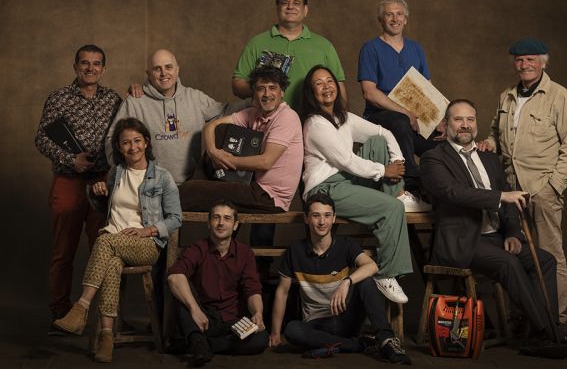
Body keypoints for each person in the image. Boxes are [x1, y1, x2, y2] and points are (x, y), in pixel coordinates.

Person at [420, 99, 567, 360]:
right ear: (446, 124)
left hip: (497, 237)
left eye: (470, 119)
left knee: (544, 260)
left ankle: (542, 335)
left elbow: (510, 206)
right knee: (508, 264)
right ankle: (552, 335)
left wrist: (513, 232)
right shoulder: (434, 158)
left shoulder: (489, 159)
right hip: (464, 242)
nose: (465, 125)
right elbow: (454, 192)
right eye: (458, 119)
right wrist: (501, 196)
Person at [52, 117, 182, 362]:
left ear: (146, 143)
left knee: (103, 241)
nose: (132, 147)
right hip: (114, 242)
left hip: (146, 246)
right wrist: (97, 192)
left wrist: (149, 230)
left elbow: (176, 218)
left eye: (137, 141)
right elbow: (104, 208)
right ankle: (107, 337)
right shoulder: (116, 173)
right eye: (125, 143)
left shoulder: (162, 177)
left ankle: (81, 307)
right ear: (119, 148)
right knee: (111, 263)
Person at [478, 38, 567, 325]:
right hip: (511, 192)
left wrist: (552, 186)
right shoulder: (507, 96)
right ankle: (525, 316)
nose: (524, 65)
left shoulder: (560, 96)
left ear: (542, 62)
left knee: (550, 255)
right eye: (519, 60)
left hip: (542, 190)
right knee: (516, 255)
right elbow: (495, 133)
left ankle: (555, 320)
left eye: (530, 60)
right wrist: (488, 143)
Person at [301, 64, 412, 303]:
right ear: (312, 93)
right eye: (318, 84)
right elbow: (347, 160)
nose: (326, 87)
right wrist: (384, 170)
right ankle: (386, 274)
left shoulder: (345, 118)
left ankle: (398, 194)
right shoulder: (315, 124)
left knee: (377, 142)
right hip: (325, 189)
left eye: (329, 81)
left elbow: (383, 132)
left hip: (346, 179)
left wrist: (397, 159)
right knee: (392, 210)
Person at [35, 44, 122, 334]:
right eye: (84, 63)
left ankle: (104, 317)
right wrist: (72, 160)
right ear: (75, 67)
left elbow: (125, 135)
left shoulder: (113, 99)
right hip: (69, 182)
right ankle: (60, 313)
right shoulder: (59, 98)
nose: (90, 68)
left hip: (103, 184)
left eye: (96, 64)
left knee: (105, 252)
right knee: (63, 252)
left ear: (103, 69)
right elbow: (42, 140)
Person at [269, 193, 411, 364]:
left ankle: (387, 340)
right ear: (306, 218)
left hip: (345, 319)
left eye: (327, 215)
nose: (322, 222)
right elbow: (282, 292)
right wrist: (276, 333)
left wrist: (347, 281)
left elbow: (372, 266)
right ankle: (357, 345)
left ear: (334, 218)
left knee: (366, 281)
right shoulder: (295, 250)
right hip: (316, 325)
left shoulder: (346, 245)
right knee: (292, 330)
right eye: (316, 215)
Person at [179, 66, 303, 250]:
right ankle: (197, 187)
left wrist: (226, 160)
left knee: (185, 193)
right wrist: (213, 151)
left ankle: (183, 202)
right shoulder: (254, 113)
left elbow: (265, 162)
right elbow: (212, 126)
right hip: (250, 185)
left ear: (282, 92)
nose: (266, 93)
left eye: (272, 88)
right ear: (254, 93)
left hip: (268, 196)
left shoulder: (287, 117)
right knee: (220, 132)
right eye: (261, 88)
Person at [108, 49, 247, 185]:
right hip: (152, 185)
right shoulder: (135, 103)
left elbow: (224, 110)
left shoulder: (194, 97)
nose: (164, 73)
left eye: (168, 67)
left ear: (177, 70)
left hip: (192, 184)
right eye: (157, 69)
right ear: (148, 74)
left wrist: (254, 102)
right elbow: (112, 139)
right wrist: (126, 175)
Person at [358, 0, 444, 212]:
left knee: (443, 140)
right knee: (399, 119)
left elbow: (428, 90)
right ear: (381, 20)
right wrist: (405, 112)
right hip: (380, 118)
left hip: (412, 121)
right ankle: (412, 186)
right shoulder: (370, 48)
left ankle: (441, 191)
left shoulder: (416, 48)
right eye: (389, 14)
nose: (394, 19)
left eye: (399, 14)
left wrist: (439, 119)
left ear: (405, 19)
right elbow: (369, 92)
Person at [167, 200, 269, 366]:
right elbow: (174, 276)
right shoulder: (198, 248)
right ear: (209, 223)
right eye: (216, 218)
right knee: (181, 288)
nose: (221, 223)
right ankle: (198, 342)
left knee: (261, 339)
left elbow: (252, 289)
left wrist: (257, 313)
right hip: (203, 317)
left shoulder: (245, 253)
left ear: (235, 225)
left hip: (233, 320)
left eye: (227, 218)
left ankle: (197, 344)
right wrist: (195, 309)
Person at [232, 0, 346, 110]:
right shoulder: (256, 43)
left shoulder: (324, 46)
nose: (290, 6)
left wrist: (343, 121)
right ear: (277, 8)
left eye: (296, 3)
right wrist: (264, 86)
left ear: (305, 10)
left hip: (313, 120)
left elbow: (338, 86)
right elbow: (237, 85)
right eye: (284, 3)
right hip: (267, 122)